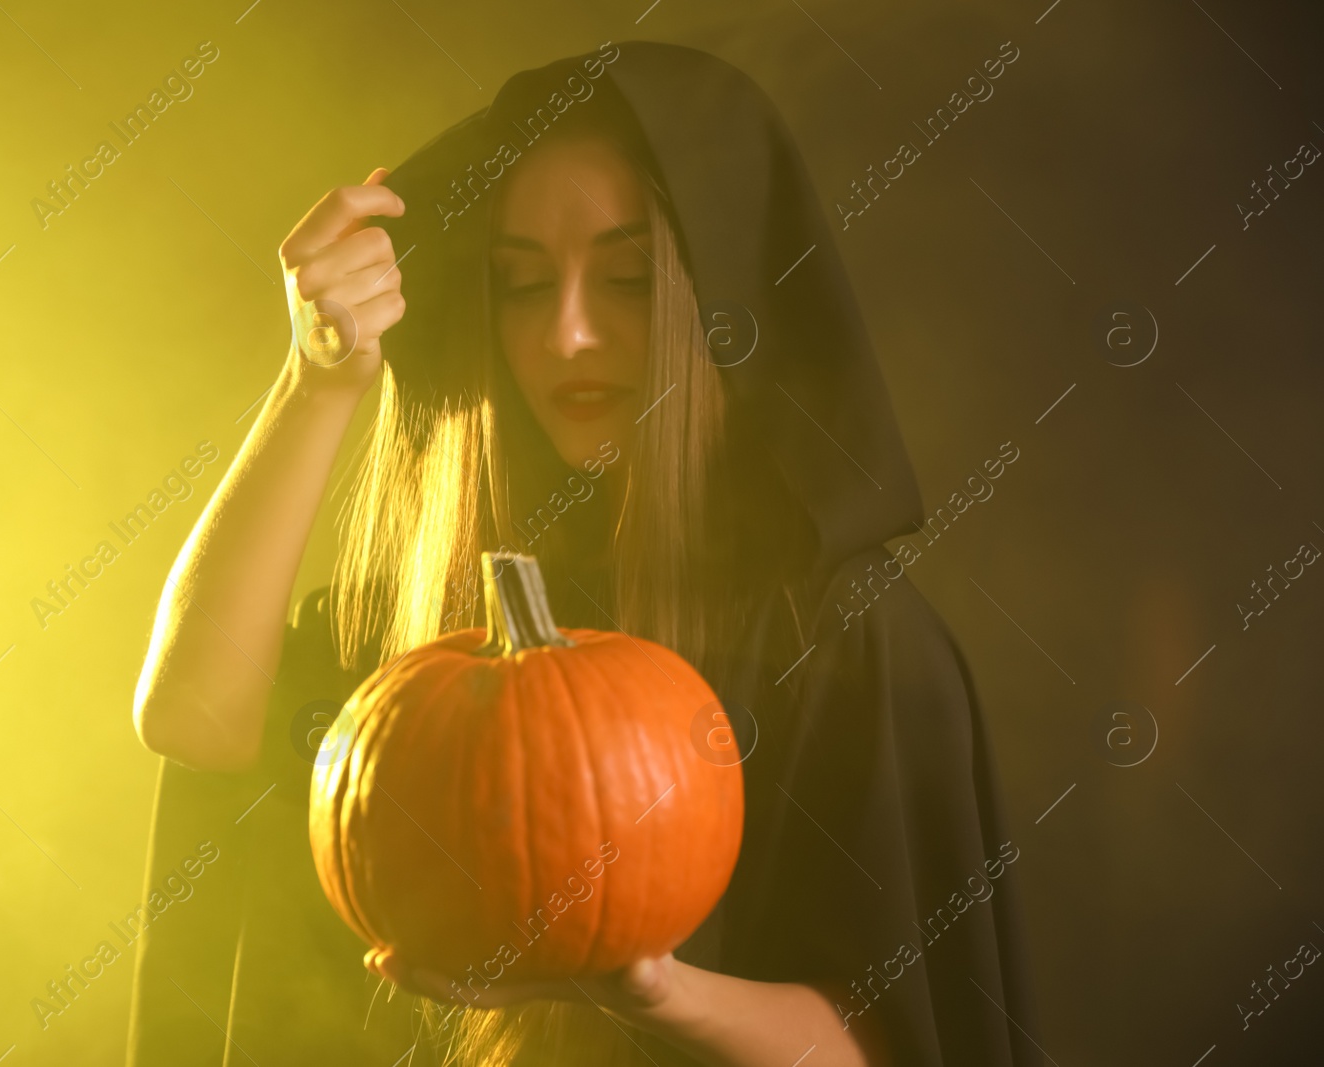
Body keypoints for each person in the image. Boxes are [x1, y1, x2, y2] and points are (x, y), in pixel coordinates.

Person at [125, 39, 1041, 1067]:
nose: (565, 335)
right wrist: (318, 379)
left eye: (626, 280)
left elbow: (897, 1044)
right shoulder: (418, 624)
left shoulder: (842, 638)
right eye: (520, 286)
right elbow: (193, 719)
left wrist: (645, 986)